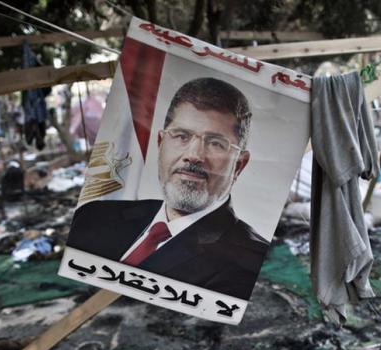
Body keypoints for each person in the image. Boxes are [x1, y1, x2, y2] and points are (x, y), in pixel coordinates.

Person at [67, 77, 269, 300]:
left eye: (215, 143)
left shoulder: (251, 264)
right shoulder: (93, 216)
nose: (194, 155)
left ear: (239, 164)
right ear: (160, 144)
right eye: (182, 136)